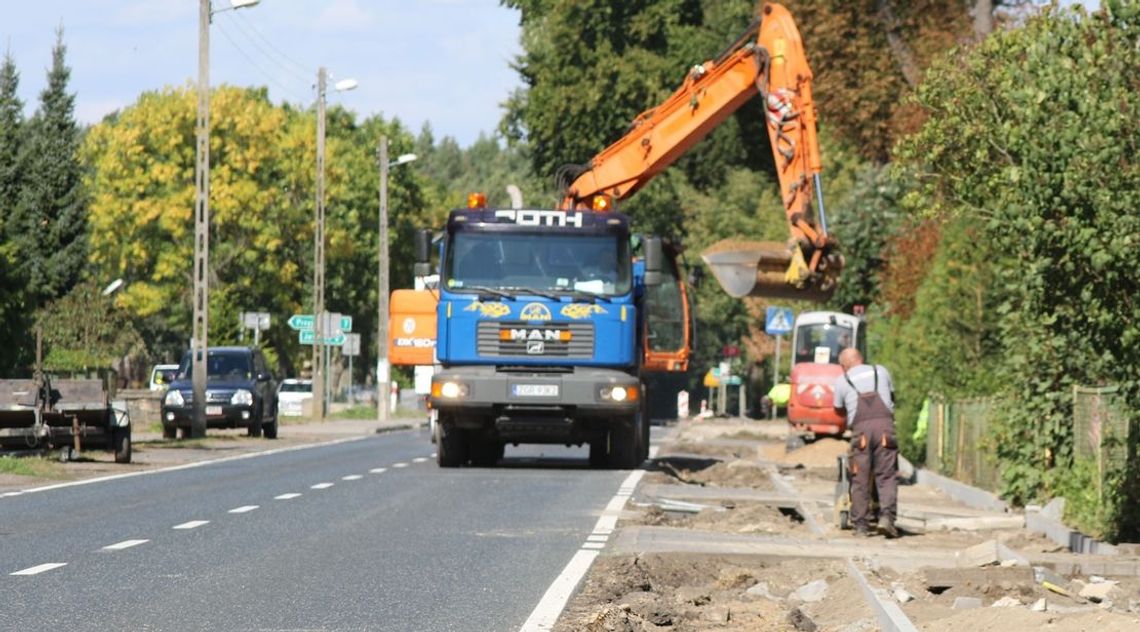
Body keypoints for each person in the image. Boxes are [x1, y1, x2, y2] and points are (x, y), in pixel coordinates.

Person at [833, 348, 899, 538]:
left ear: (844, 364)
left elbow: (838, 411)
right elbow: (891, 398)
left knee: (860, 478)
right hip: (885, 429)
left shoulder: (842, 381)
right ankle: (886, 519)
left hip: (860, 432)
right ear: (860, 359)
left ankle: (861, 526)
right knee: (886, 476)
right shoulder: (881, 371)